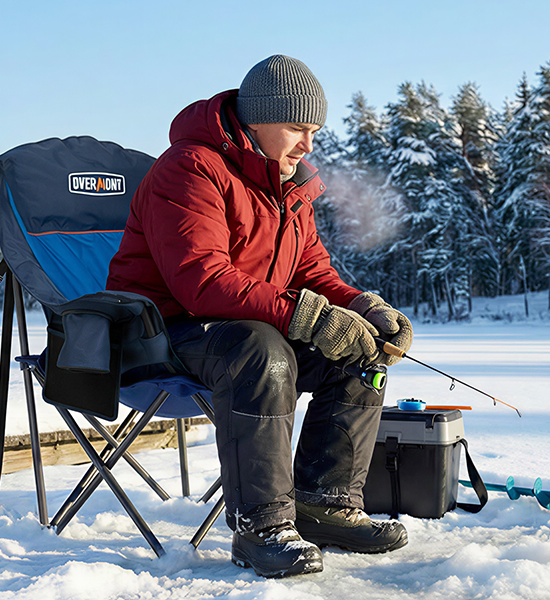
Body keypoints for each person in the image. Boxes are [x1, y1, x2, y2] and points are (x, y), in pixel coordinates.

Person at [106, 55, 414, 578]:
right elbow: (202, 281)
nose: (308, 145)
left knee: (359, 352)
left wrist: (363, 308)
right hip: (159, 333)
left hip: (242, 327)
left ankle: (325, 504)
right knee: (260, 351)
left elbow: (313, 272)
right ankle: (262, 527)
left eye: (315, 131)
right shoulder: (190, 168)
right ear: (257, 120)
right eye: (296, 128)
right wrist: (306, 318)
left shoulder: (289, 184)